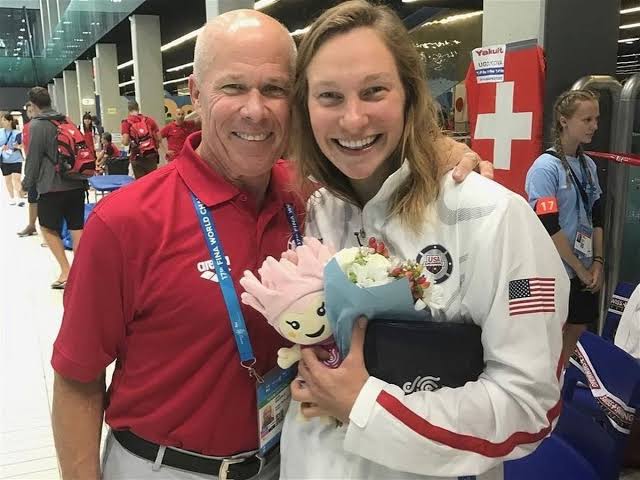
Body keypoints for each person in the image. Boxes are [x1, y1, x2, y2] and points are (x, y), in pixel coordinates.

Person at [50, 9, 486, 480]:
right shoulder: (127, 221)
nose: (255, 110)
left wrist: (439, 152)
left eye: (274, 89)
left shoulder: (312, 198)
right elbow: (78, 377)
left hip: (284, 460)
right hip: (168, 467)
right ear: (196, 94)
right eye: (233, 87)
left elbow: (378, 158)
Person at [279, 2, 569, 480]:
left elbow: (528, 405)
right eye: (329, 96)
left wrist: (366, 406)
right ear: (305, 108)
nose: (352, 120)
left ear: (410, 96)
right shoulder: (315, 211)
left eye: (374, 91)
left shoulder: (494, 218)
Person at [526, 90, 603, 365]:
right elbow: (548, 225)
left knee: (576, 331)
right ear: (563, 121)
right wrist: (579, 269)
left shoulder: (589, 165)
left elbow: (596, 216)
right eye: (586, 119)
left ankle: (560, 382)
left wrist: (597, 261)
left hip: (583, 269)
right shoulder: (545, 169)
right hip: (554, 270)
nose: (594, 125)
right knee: (548, 337)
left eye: (596, 119)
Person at [21, 86, 87, 289]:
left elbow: (33, 159)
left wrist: (27, 183)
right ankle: (84, 271)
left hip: (52, 186)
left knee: (48, 228)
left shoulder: (37, 125)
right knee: (77, 227)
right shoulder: (65, 120)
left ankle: (67, 272)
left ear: (32, 105)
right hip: (76, 183)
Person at [120, 100, 161, 179]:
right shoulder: (148, 120)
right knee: (152, 181)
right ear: (138, 108)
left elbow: (125, 142)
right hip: (151, 155)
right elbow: (159, 138)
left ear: (128, 110)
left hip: (137, 157)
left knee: (141, 183)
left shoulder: (126, 123)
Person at [17, 102, 40, 237]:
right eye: (29, 111)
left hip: (43, 168)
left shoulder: (44, 126)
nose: (31, 114)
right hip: (31, 165)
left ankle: (49, 230)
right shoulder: (26, 128)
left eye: (33, 110)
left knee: (45, 199)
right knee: (32, 198)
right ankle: (31, 225)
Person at [1, 112, 24, 205]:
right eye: (2, 120)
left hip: (16, 158)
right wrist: (2, 147)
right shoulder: (0, 133)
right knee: (8, 180)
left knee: (16, 179)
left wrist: (18, 146)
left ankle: (19, 198)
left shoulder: (18, 132)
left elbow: (23, 145)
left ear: (10, 121)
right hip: (4, 159)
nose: (2, 122)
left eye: (4, 120)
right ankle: (12, 197)